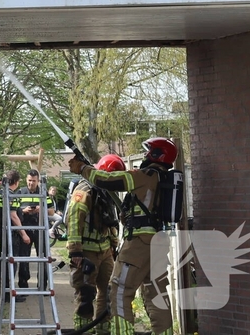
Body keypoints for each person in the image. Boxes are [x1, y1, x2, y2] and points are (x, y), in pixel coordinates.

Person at [69, 137, 178, 335]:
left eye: (149, 151)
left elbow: (107, 180)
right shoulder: (164, 179)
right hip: (158, 243)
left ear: (157, 155)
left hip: (139, 243)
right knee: (156, 294)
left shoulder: (145, 175)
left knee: (119, 291)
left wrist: (83, 169)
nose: (145, 155)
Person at [66, 154, 124, 335]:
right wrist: (76, 252)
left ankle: (103, 330)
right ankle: (83, 330)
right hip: (86, 252)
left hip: (105, 250)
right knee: (86, 295)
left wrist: (114, 245)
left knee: (108, 293)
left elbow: (110, 221)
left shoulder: (105, 192)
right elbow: (74, 221)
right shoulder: (83, 192)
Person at [0, 170, 30, 302]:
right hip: (11, 233)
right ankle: (9, 293)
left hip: (0, 230)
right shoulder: (12, 196)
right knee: (11, 262)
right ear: (17, 182)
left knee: (2, 261)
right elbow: (13, 216)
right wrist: (24, 234)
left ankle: (1, 292)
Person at [17, 169, 56, 289]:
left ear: (38, 181)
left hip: (40, 229)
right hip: (25, 228)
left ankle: (42, 286)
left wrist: (41, 209)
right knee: (23, 258)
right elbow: (14, 210)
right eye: (29, 180)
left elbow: (51, 211)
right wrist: (24, 210)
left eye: (34, 181)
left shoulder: (44, 192)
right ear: (26, 180)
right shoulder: (20, 192)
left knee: (43, 258)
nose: (31, 183)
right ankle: (23, 286)